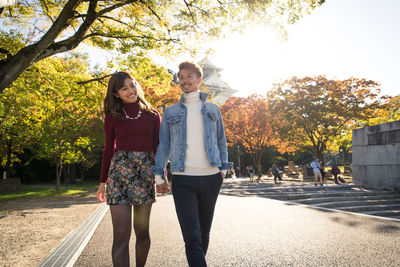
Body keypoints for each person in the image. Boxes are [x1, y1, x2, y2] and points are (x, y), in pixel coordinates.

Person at [151, 61, 233, 267]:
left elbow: (221, 140)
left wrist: (223, 169)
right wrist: (158, 174)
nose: (184, 80)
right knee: (192, 237)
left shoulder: (214, 109)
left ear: (198, 79)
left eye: (189, 76)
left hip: (211, 178)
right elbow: (165, 145)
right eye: (181, 77)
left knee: (204, 234)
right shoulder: (170, 112)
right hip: (183, 179)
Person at [96, 71, 167, 267]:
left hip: (144, 174)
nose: (130, 90)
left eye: (132, 85)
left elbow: (157, 148)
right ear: (116, 93)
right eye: (124, 88)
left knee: (142, 231)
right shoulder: (112, 116)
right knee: (120, 233)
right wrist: (103, 182)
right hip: (119, 176)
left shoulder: (152, 115)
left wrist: (162, 176)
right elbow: (108, 149)